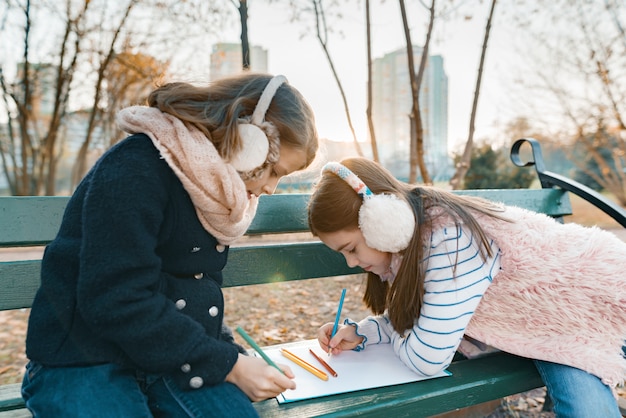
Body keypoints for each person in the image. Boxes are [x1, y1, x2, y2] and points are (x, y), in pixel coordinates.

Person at [21, 73, 319, 417]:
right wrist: (229, 366)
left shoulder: (213, 189)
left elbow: (189, 290)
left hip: (166, 357)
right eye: (274, 171)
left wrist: (230, 356)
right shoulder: (135, 167)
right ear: (246, 140)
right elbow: (116, 297)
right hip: (81, 358)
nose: (270, 188)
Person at [308, 157, 626, 418]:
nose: (350, 263)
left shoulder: (449, 238)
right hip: (538, 322)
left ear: (382, 221)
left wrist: (403, 334)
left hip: (583, 304)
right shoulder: (406, 250)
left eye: (350, 248)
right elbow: (421, 318)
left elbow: (426, 358)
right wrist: (365, 332)